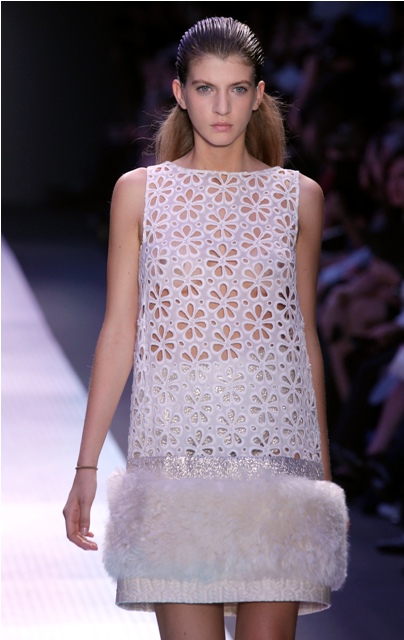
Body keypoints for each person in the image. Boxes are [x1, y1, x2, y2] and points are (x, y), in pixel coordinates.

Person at [63, 17, 348, 640]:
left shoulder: (299, 197)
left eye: (237, 89)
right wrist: (86, 468)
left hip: (276, 461)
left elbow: (302, 339)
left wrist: (322, 486)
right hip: (176, 460)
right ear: (179, 92)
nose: (222, 107)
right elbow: (120, 331)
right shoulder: (139, 193)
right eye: (205, 88)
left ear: (259, 94)